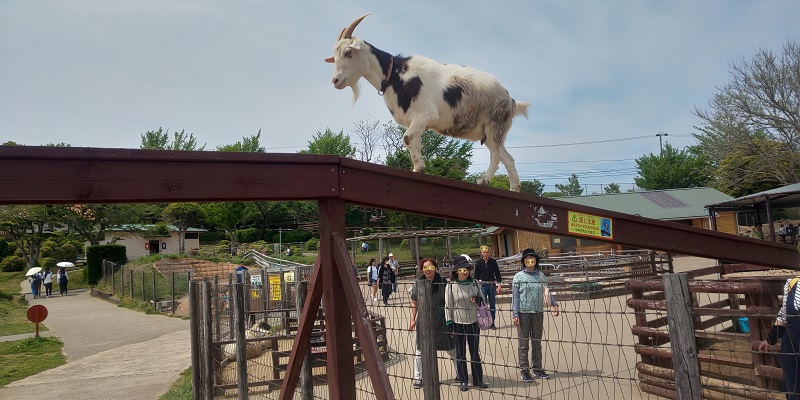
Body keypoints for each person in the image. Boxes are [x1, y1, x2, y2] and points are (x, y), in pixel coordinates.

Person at [513, 248, 560, 382]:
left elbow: (547, 292)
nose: (530, 261)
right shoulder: (518, 277)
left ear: (536, 261)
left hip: (538, 313)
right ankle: (524, 370)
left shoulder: (541, 276)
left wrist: (554, 304)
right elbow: (515, 298)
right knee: (523, 343)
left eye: (532, 259)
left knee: (537, 342)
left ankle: (538, 368)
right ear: (523, 261)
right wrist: (515, 313)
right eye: (527, 259)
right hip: (523, 314)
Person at [408, 257, 457, 389]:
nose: (428, 270)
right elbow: (414, 302)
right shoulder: (418, 283)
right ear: (422, 269)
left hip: (441, 321)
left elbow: (450, 301)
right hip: (423, 322)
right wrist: (412, 318)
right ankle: (418, 378)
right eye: (425, 268)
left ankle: (460, 373)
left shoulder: (443, 283)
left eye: (430, 267)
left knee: (451, 348)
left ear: (435, 268)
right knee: (420, 350)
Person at [445, 255, 488, 391]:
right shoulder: (451, 285)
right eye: (461, 269)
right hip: (458, 322)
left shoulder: (474, 282)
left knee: (474, 352)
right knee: (460, 353)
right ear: (456, 271)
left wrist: (477, 298)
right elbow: (448, 305)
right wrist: (449, 323)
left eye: (466, 269)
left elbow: (482, 298)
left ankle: (478, 379)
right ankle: (463, 380)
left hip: (473, 322)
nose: (464, 272)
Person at [759, 274, 800, 399]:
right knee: (792, 389)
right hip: (791, 347)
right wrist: (770, 339)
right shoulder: (792, 283)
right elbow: (784, 315)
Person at [475, 245, 502, 329]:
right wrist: (476, 285)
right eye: (484, 252)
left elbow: (497, 273)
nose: (486, 254)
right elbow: (476, 275)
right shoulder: (478, 263)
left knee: (492, 304)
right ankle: (483, 321)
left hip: (491, 284)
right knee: (483, 304)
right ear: (482, 253)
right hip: (482, 284)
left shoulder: (493, 262)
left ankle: (492, 322)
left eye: (487, 252)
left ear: (490, 253)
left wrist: (499, 284)